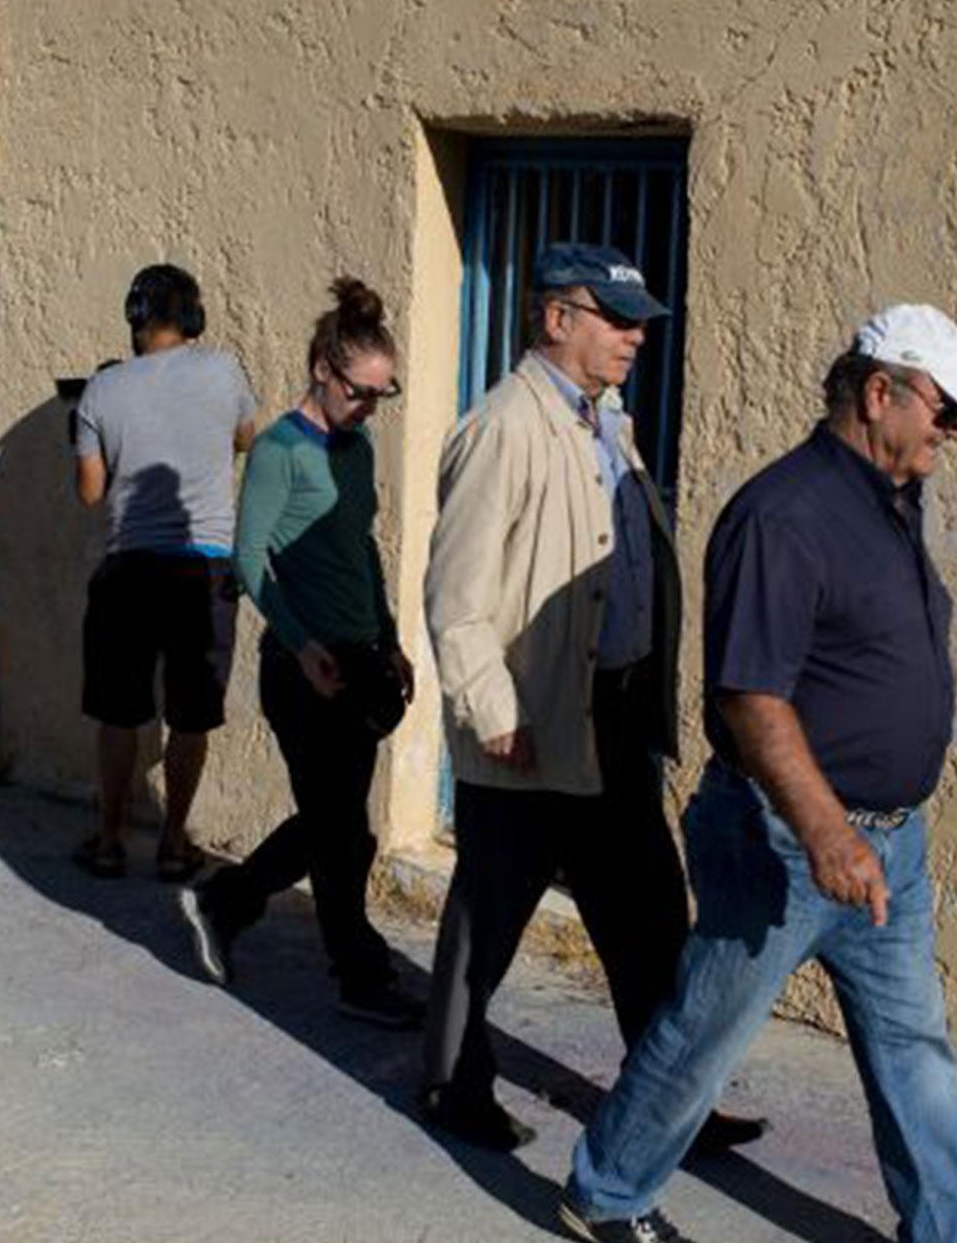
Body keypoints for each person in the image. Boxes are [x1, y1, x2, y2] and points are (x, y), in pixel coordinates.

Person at [557, 304, 957, 1243]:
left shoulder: (889, 493)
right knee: (707, 1026)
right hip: (781, 840)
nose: (954, 434)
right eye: (944, 409)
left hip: (885, 844)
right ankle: (608, 1193)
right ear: (877, 392)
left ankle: (943, 1242)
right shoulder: (782, 516)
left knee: (913, 1040)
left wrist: (869, 828)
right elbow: (752, 696)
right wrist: (827, 832)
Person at [418, 242, 763, 1155]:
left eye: (638, 320)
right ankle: (453, 1083)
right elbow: (456, 598)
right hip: (529, 716)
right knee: (490, 910)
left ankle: (667, 1098)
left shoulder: (608, 422)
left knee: (650, 913)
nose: (635, 336)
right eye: (615, 317)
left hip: (610, 715)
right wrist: (493, 713)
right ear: (555, 317)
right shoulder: (504, 426)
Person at [193, 276, 420, 1028]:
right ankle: (358, 974)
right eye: (360, 391)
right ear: (323, 368)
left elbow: (362, 549)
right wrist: (303, 645)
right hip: (301, 668)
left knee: (337, 824)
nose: (367, 407)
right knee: (341, 829)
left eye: (382, 396)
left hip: (359, 658)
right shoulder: (278, 453)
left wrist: (389, 640)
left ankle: (230, 898)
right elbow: (249, 561)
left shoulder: (354, 451)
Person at [73, 264, 257, 881]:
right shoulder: (225, 371)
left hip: (128, 569)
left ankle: (107, 837)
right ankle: (175, 842)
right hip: (202, 571)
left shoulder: (102, 390)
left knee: (119, 712)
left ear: (135, 317)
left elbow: (91, 494)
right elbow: (245, 437)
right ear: (193, 317)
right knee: (191, 714)